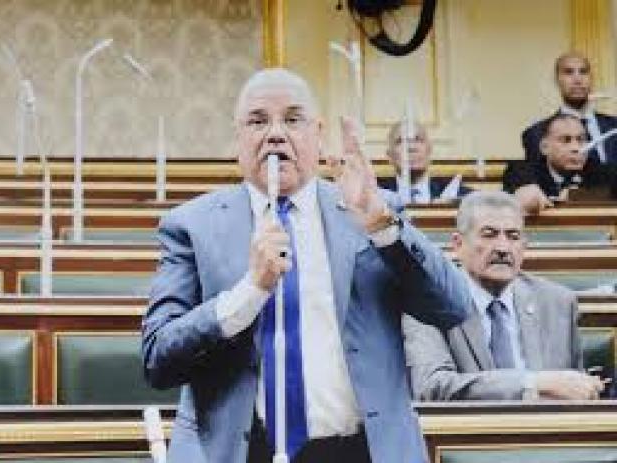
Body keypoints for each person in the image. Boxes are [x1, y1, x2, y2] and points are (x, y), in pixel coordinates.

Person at [142, 68, 470, 463]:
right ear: (237, 139)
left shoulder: (369, 210)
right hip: (239, 453)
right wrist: (249, 292)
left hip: (358, 451)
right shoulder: (192, 226)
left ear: (318, 135)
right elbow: (158, 360)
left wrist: (381, 224)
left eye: (293, 120)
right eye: (258, 121)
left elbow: (453, 307)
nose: (276, 134)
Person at [402, 191, 605, 401]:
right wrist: (531, 383)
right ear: (458, 244)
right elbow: (432, 387)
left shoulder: (558, 303)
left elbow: (576, 392)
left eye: (513, 236)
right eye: (489, 235)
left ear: (524, 246)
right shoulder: (427, 304)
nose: (502, 248)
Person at [504, 113, 617, 214]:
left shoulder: (606, 173)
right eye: (566, 140)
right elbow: (524, 194)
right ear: (544, 147)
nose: (576, 148)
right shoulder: (521, 172)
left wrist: (575, 195)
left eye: (581, 140)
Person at [522, 51, 617, 165]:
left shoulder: (614, 126)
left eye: (583, 72)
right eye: (568, 72)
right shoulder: (536, 134)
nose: (578, 80)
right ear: (557, 80)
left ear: (591, 78)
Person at [379, 121, 472, 203]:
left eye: (418, 139)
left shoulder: (458, 194)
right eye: (401, 141)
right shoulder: (376, 194)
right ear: (389, 156)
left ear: (429, 150)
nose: (411, 148)